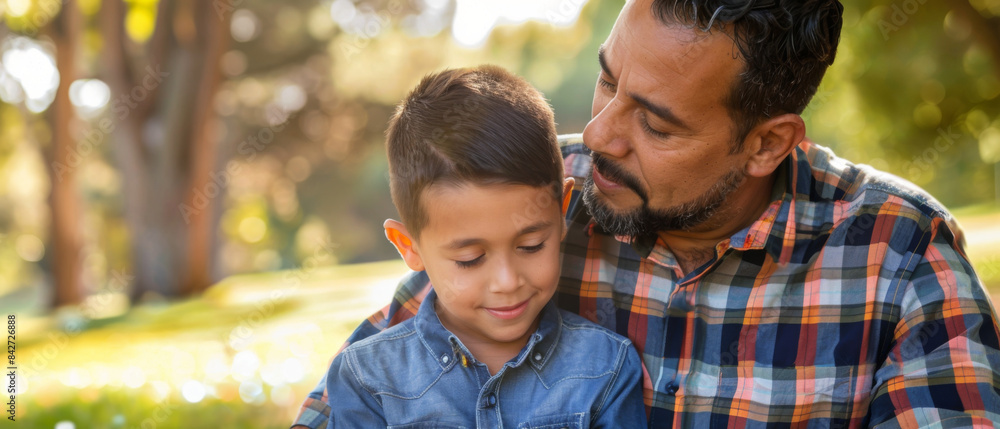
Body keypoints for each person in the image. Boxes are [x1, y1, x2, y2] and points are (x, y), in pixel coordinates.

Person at [296, 0, 1000, 427]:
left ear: (767, 144)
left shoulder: (898, 252)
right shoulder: (529, 199)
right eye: (608, 79)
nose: (599, 133)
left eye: (657, 125)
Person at [320, 65, 647, 428]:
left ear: (562, 209)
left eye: (531, 245)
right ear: (409, 247)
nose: (507, 282)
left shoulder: (606, 367)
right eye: (470, 259)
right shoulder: (367, 379)